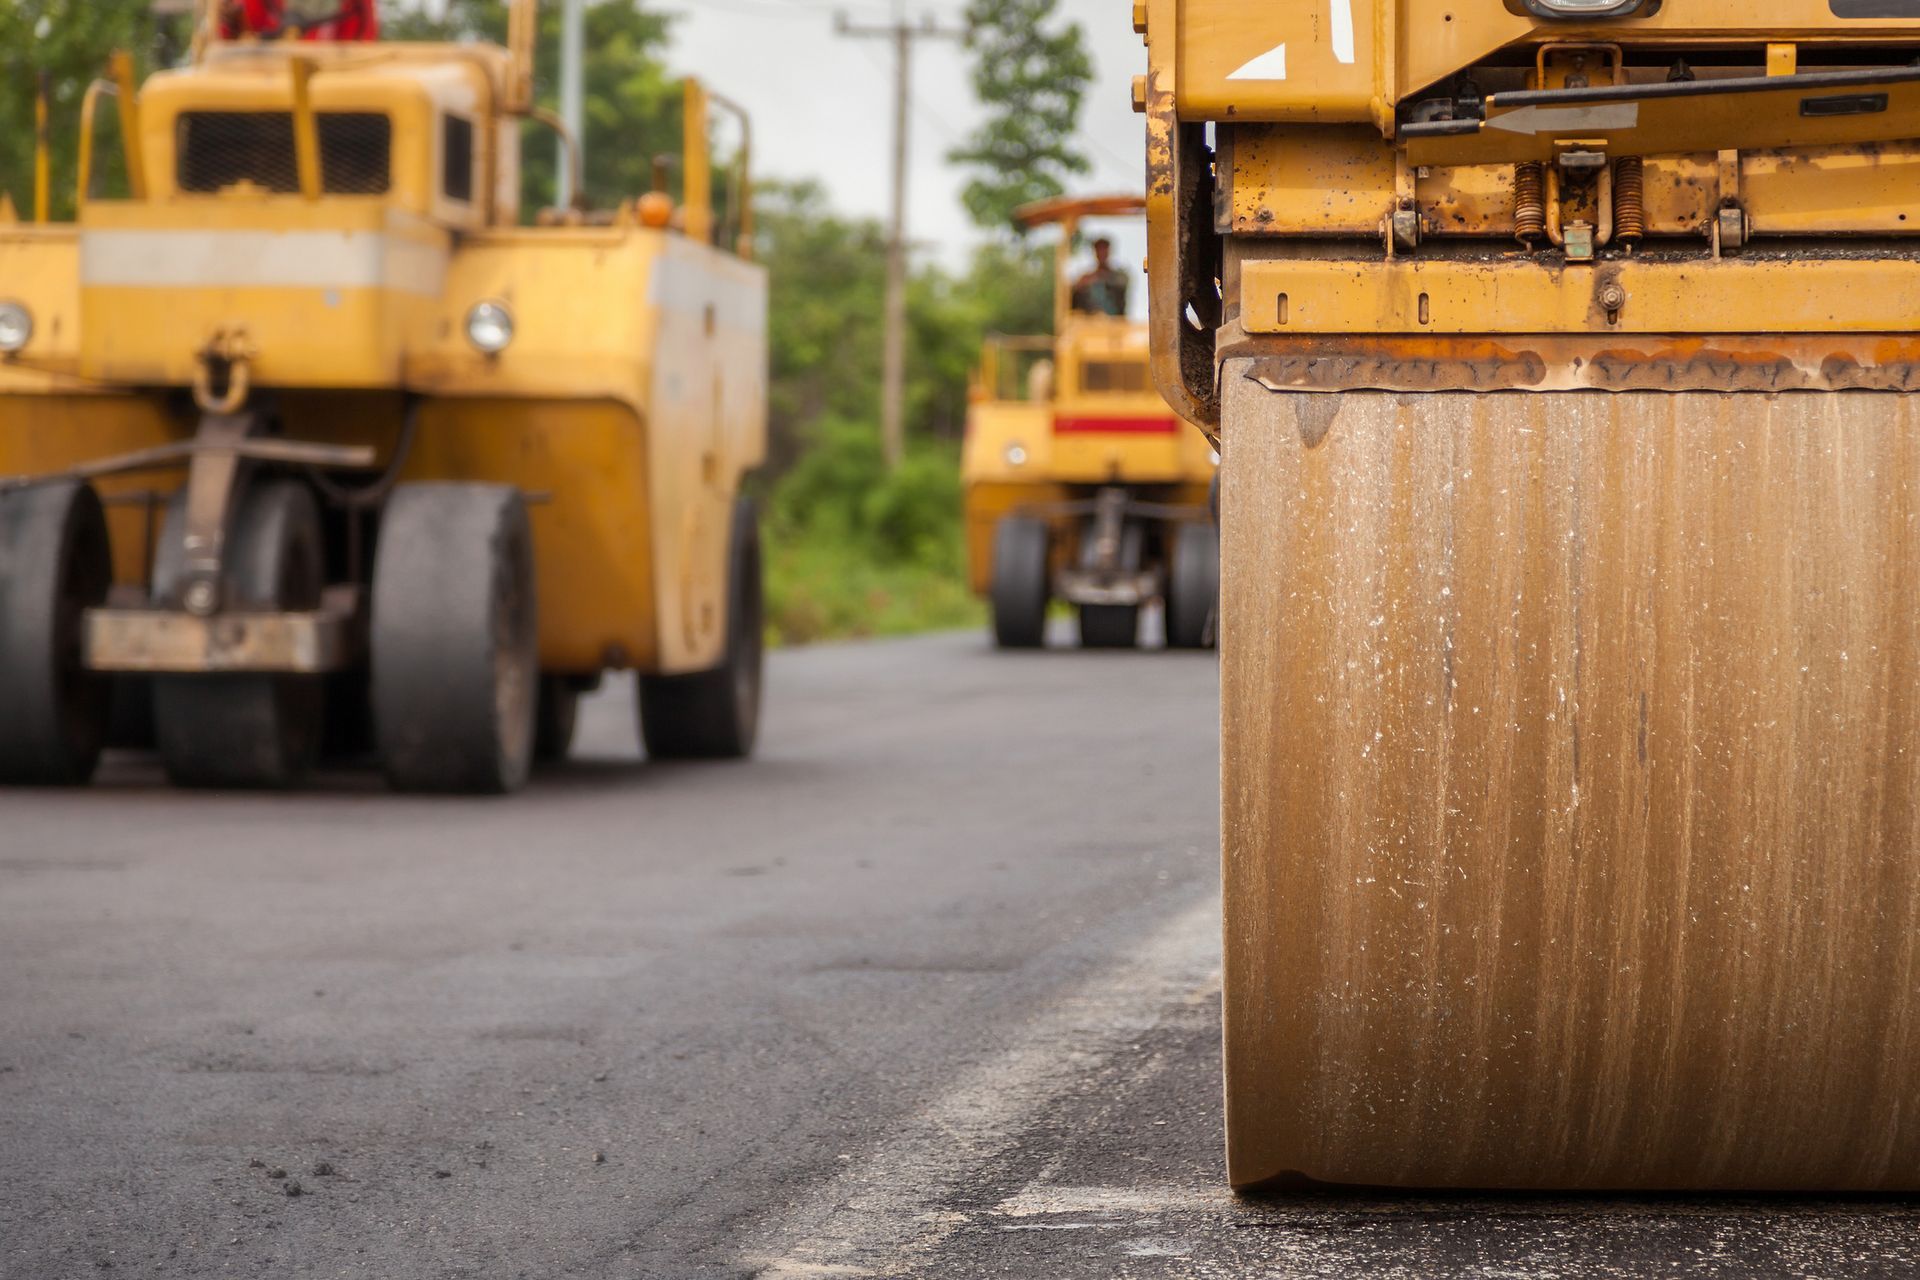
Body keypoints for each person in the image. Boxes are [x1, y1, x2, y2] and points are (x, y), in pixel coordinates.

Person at [221, 0, 379, 41]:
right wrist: (230, 21)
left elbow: (360, 49)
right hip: (268, 93)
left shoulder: (356, 7)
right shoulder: (260, 4)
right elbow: (232, 38)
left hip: (331, 97)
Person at [1069, 237, 1129, 317]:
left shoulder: (1119, 277)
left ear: (1109, 251)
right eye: (1099, 250)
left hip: (1114, 323)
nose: (1102, 253)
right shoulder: (1086, 279)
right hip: (1091, 323)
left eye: (1104, 250)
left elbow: (1123, 287)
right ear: (1095, 252)